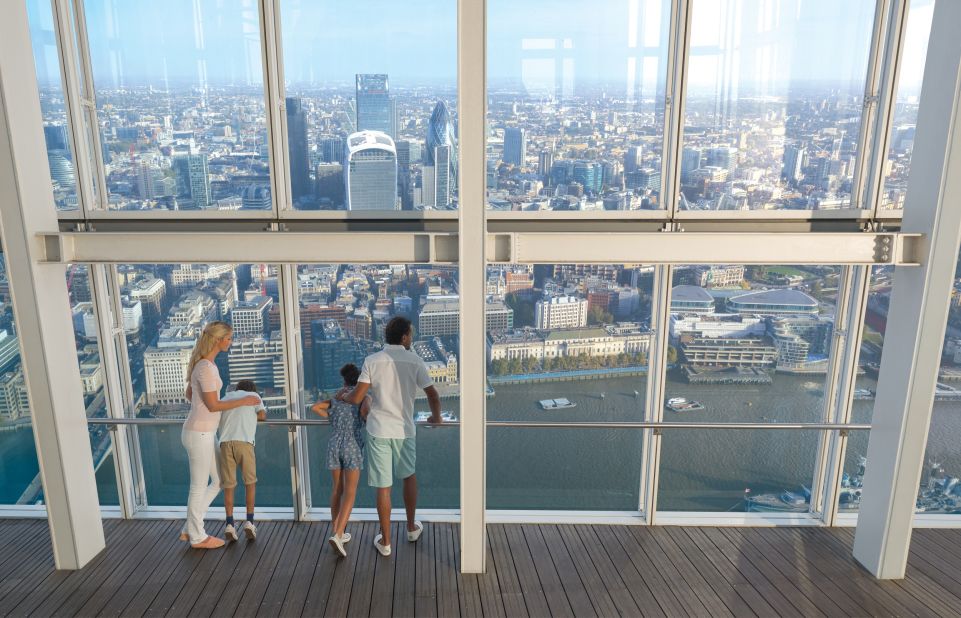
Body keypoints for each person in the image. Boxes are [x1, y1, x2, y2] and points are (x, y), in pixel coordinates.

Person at [339, 316, 442, 557]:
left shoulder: (372, 361)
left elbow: (356, 397)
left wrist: (342, 397)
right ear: (404, 336)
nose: (412, 337)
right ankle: (410, 528)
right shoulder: (415, 360)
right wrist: (436, 418)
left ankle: (385, 542)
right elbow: (433, 395)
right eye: (411, 334)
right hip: (404, 430)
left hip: (378, 430)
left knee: (384, 487)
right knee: (408, 477)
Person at [180, 321, 260, 550]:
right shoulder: (205, 367)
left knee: (219, 481)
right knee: (198, 486)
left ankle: (189, 527)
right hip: (200, 433)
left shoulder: (205, 365)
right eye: (229, 338)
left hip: (204, 431)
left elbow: (190, 395)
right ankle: (196, 536)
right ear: (217, 339)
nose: (231, 342)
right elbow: (213, 405)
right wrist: (243, 401)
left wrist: (204, 406)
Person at [310, 363, 370, 557]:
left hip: (334, 443)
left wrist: (331, 417)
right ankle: (338, 533)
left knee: (337, 489)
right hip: (352, 444)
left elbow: (315, 407)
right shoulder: (361, 397)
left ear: (344, 380)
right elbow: (365, 415)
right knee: (350, 493)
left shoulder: (337, 396)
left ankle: (338, 530)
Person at [218, 379, 267, 542]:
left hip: (225, 443)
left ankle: (230, 524)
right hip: (244, 442)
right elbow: (262, 415)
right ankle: (249, 522)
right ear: (252, 389)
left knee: (229, 485)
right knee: (250, 483)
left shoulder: (226, 397)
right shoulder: (254, 396)